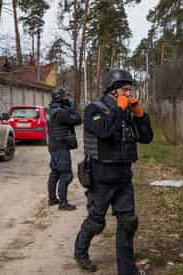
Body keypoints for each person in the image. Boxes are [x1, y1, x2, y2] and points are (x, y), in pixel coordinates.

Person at [74, 69, 153, 274]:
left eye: (130, 89)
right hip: (101, 178)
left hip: (123, 177)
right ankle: (80, 252)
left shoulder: (127, 112)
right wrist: (119, 110)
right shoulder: (93, 110)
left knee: (128, 222)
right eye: (125, 89)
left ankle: (127, 270)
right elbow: (105, 132)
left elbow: (146, 138)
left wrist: (141, 116)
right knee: (96, 222)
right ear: (113, 91)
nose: (129, 93)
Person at [47, 88, 82, 211]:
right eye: (66, 98)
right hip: (61, 146)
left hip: (53, 145)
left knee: (55, 172)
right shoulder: (61, 113)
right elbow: (78, 120)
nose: (68, 99)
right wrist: (71, 108)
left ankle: (52, 199)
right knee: (66, 174)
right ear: (60, 98)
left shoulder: (50, 110)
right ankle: (63, 203)